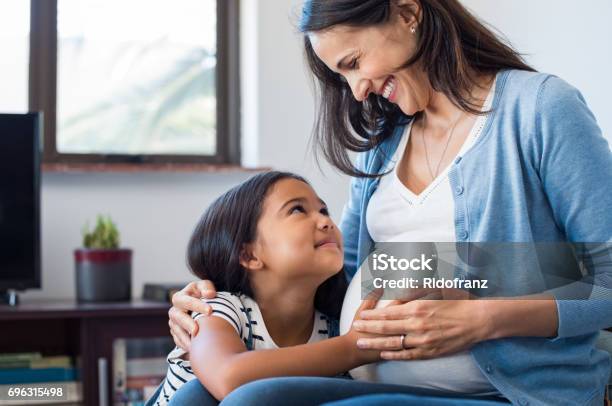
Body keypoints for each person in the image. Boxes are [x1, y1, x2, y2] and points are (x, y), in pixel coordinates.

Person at [168, 0, 612, 405]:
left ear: (407, 13)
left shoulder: (539, 109)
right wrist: (216, 303)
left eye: (355, 62)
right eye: (342, 76)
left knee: (251, 402)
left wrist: (482, 319)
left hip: (503, 392)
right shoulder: (383, 143)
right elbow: (345, 278)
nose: (357, 90)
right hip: (367, 379)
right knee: (193, 398)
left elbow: (606, 273)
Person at [149, 171, 386, 405]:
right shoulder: (218, 310)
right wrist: (352, 348)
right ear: (249, 255)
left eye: (324, 210)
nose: (326, 221)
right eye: (297, 210)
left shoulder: (334, 326)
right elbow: (227, 377)